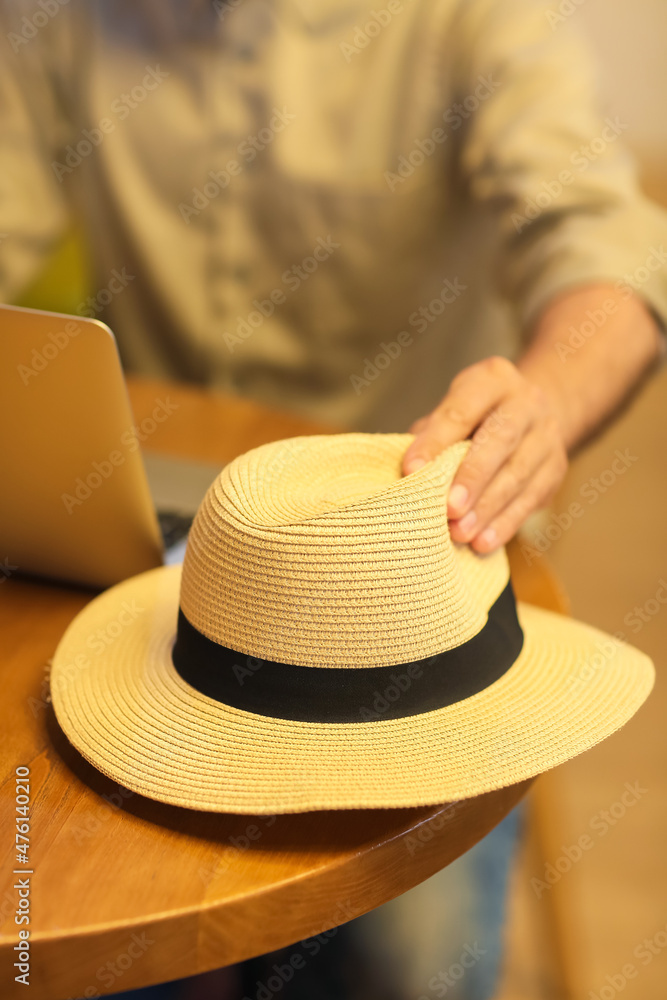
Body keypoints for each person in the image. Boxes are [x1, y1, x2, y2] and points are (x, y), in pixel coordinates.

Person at [1, 1, 666, 997]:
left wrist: (543, 403)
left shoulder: (467, 16)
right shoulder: (65, 21)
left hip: (420, 600)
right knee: (61, 898)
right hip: (183, 566)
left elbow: (607, 247)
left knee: (410, 965)